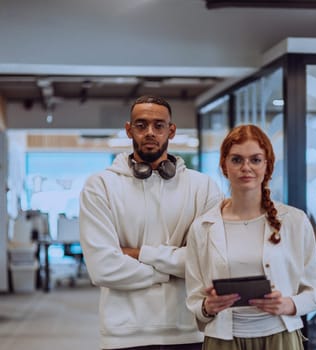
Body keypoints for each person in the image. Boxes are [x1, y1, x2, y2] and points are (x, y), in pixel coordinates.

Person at [79, 95, 222, 350]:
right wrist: (174, 270)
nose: (150, 132)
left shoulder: (203, 187)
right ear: (128, 129)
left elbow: (208, 261)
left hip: (189, 331)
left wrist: (138, 254)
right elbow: (102, 267)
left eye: (158, 125)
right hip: (123, 335)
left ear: (172, 130)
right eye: (141, 125)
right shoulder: (100, 186)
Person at [185, 124, 316, 350]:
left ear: (267, 165)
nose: (246, 167)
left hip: (280, 338)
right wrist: (207, 306)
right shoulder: (202, 227)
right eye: (237, 159)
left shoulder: (295, 221)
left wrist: (288, 304)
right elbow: (194, 298)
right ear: (224, 165)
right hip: (223, 341)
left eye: (255, 160)